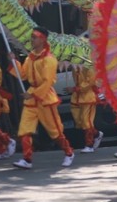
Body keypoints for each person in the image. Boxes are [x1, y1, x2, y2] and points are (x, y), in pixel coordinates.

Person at [9, 27, 75, 169]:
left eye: (34, 37)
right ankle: (27, 159)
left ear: (43, 39)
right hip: (32, 96)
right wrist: (14, 62)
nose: (32, 40)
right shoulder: (30, 58)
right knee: (25, 130)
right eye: (31, 37)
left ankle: (69, 152)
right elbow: (23, 75)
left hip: (44, 97)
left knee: (55, 131)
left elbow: (48, 81)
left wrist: (33, 94)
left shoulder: (49, 59)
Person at [69, 63, 103, 154]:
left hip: (88, 97)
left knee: (86, 121)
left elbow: (90, 82)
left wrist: (76, 89)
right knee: (79, 121)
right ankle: (96, 134)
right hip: (77, 97)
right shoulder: (75, 65)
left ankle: (89, 145)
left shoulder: (89, 65)